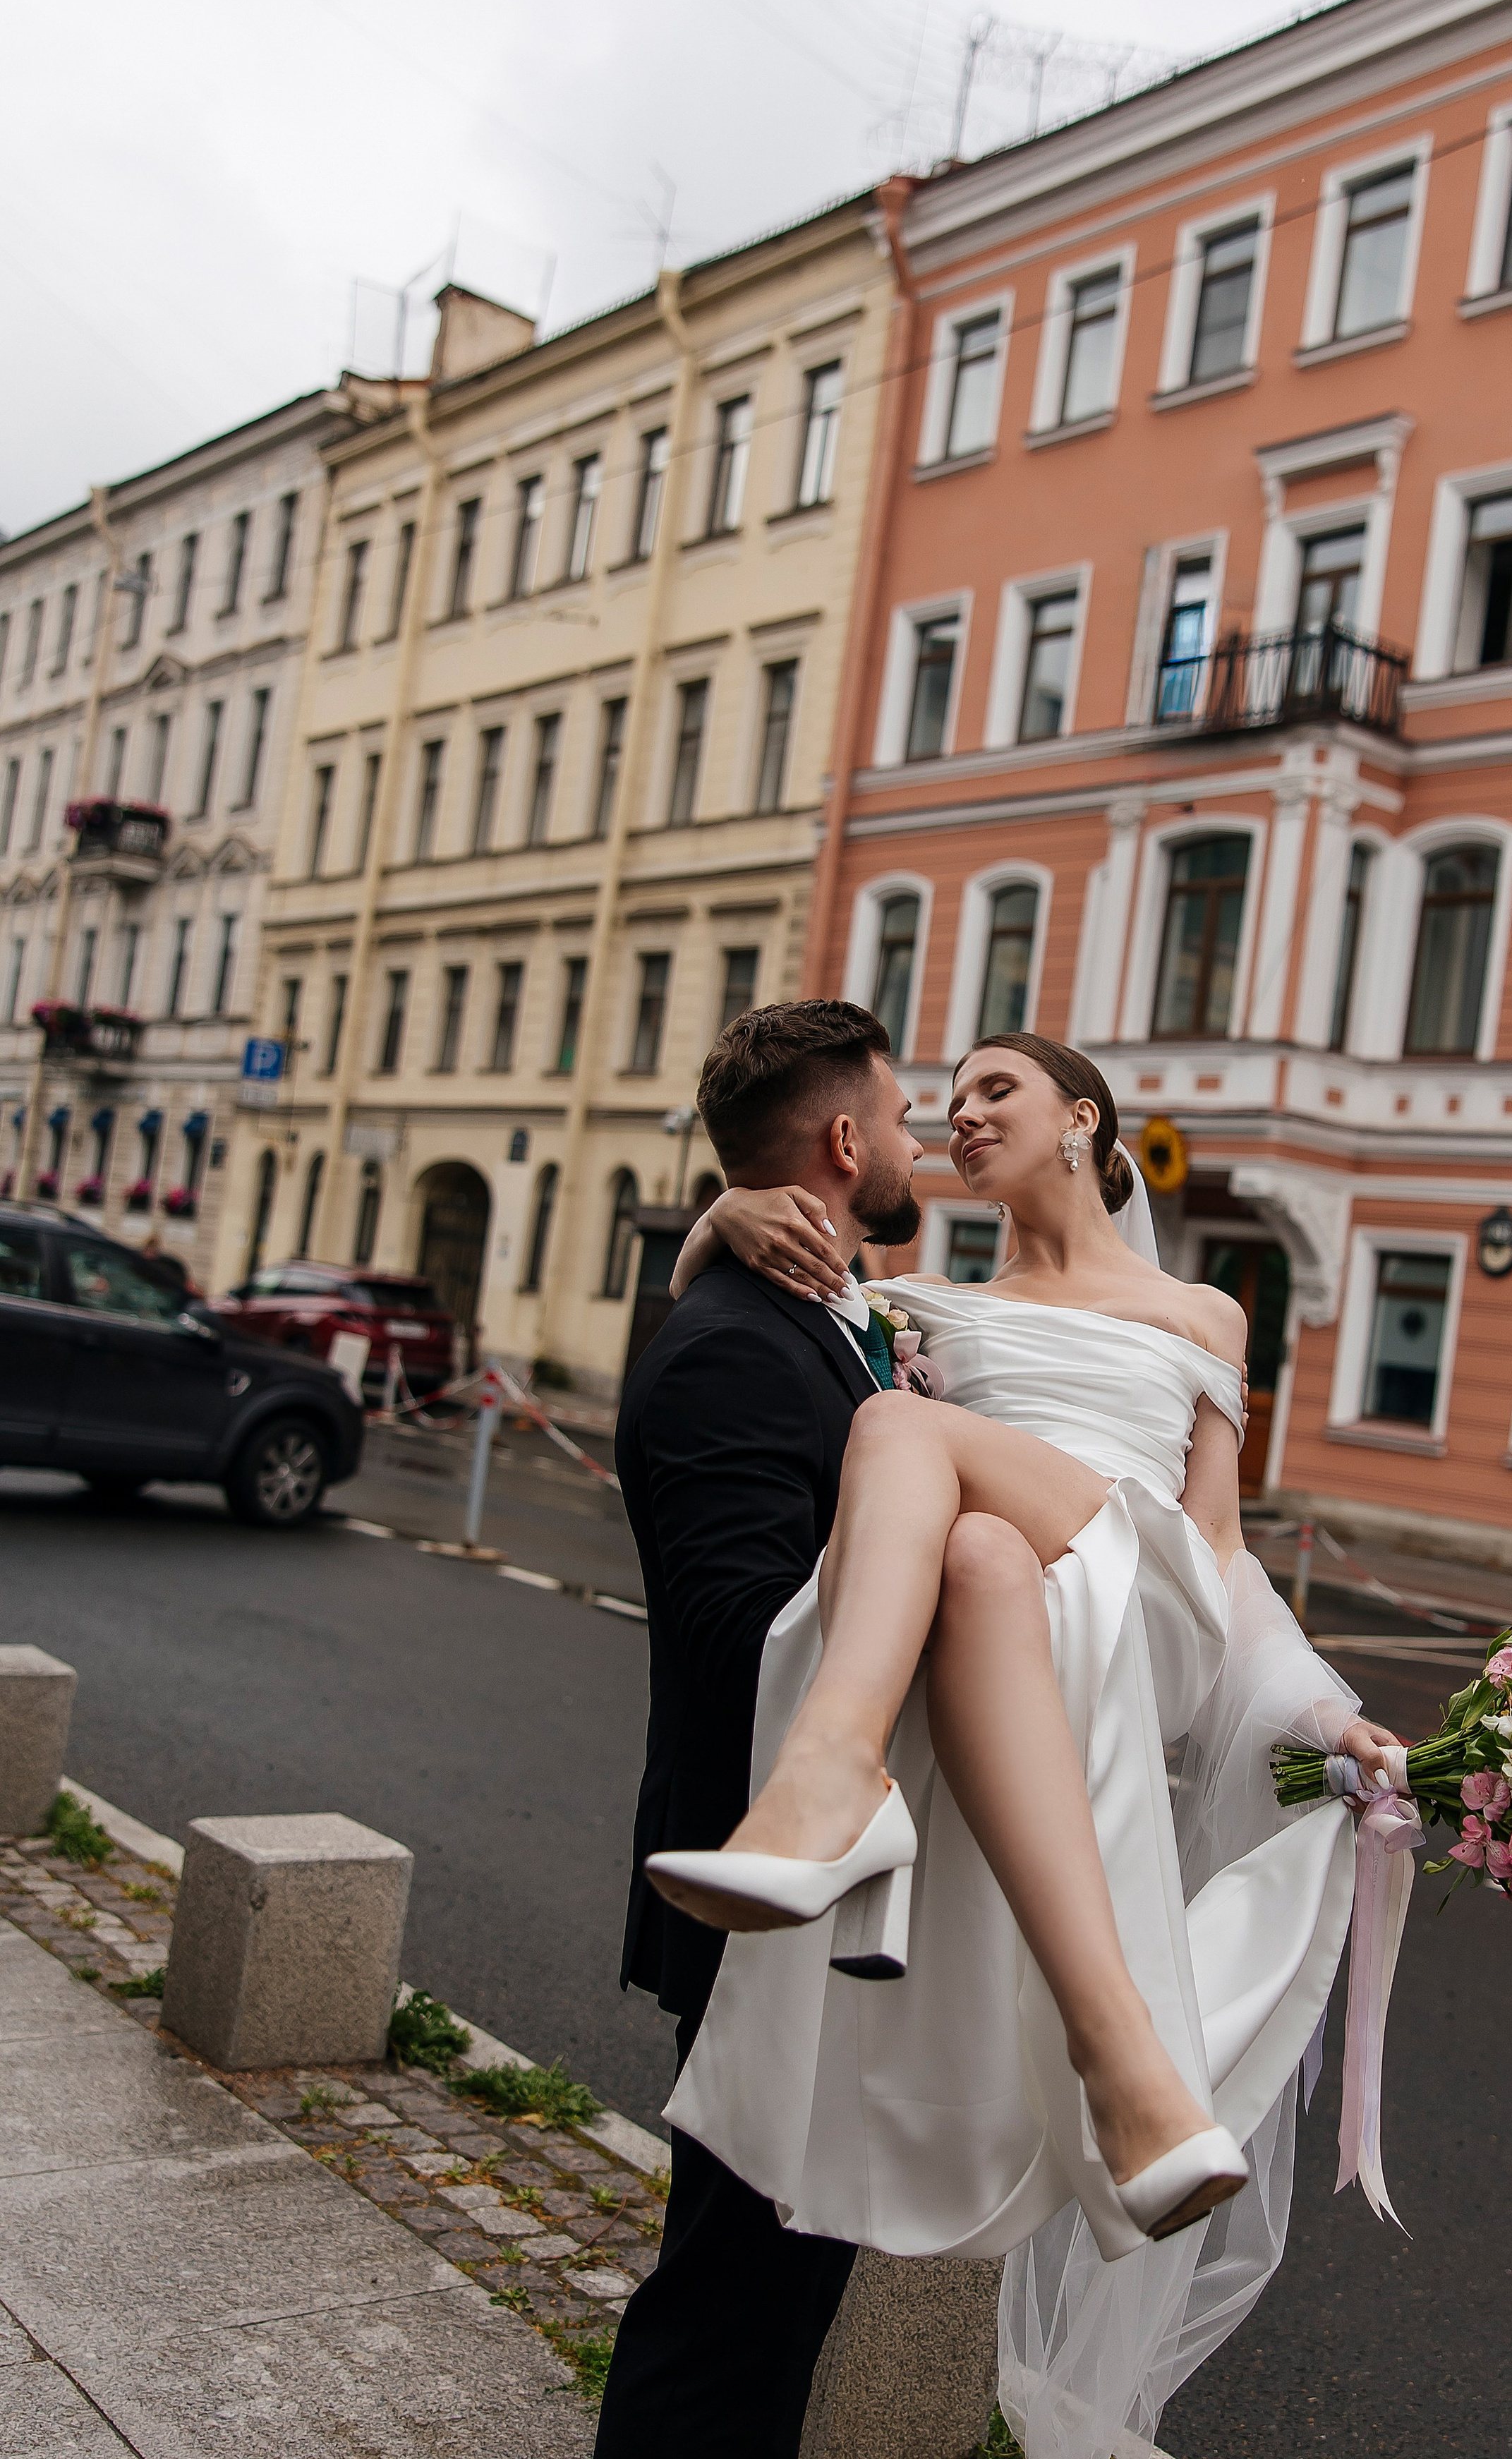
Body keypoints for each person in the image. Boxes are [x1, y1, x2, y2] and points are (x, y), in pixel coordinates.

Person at [649, 1029, 1401, 2459]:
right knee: (982, 1554)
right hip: (1012, 1607)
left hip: (1146, 1591)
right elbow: (755, 1292)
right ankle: (1124, 2076)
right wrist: (711, 1218)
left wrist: (1313, 1708)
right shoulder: (917, 1298)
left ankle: (829, 1778)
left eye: (996, 1089)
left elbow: (1226, 1552)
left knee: (899, 1433)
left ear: (1081, 1121)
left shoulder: (1199, 1314)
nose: (958, 1113)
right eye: (946, 1100)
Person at [594, 1000, 928, 2459]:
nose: (923, 1140)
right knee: (728, 2313)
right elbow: (745, 1642)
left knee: (770, 2305)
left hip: (809, 1897)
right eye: (907, 1115)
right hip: (760, 1897)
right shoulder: (737, 1347)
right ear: (845, 1142)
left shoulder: (812, 1319)